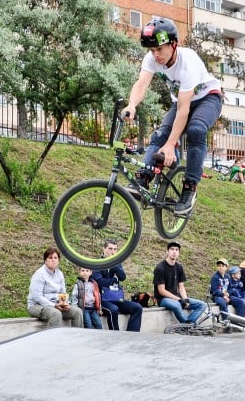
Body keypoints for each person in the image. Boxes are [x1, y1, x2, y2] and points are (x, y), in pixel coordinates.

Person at [123, 18, 224, 215]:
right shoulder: (151, 59)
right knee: (159, 135)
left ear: (173, 44)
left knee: (196, 130)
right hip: (182, 102)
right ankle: (143, 178)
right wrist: (132, 104)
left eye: (159, 49)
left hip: (208, 99)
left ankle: (189, 189)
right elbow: (142, 84)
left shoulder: (188, 61)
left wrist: (172, 144)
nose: (156, 55)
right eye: (152, 50)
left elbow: (184, 111)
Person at [27, 247, 84, 329]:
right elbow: (37, 297)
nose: (53, 260)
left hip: (56, 305)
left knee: (77, 312)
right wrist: (53, 305)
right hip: (37, 306)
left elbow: (63, 293)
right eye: (50, 258)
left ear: (58, 260)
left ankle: (76, 338)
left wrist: (65, 304)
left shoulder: (60, 274)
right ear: (45, 260)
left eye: (55, 258)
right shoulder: (39, 274)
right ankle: (53, 340)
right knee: (56, 314)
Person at [94, 240, 143, 332]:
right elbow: (100, 281)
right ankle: (115, 336)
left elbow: (122, 277)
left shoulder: (116, 262)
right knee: (114, 310)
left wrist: (115, 265)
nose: (113, 252)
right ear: (103, 249)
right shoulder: (97, 263)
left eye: (115, 249)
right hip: (102, 299)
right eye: (110, 249)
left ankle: (132, 334)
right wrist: (113, 280)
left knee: (137, 308)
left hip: (115, 297)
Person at [154, 242, 206, 323]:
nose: (174, 252)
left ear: (179, 253)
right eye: (172, 249)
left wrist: (185, 299)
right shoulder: (160, 268)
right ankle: (186, 325)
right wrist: (179, 300)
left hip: (177, 297)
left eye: (176, 250)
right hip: (163, 299)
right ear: (167, 251)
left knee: (202, 305)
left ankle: (189, 324)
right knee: (177, 305)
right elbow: (161, 291)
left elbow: (181, 287)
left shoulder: (179, 267)